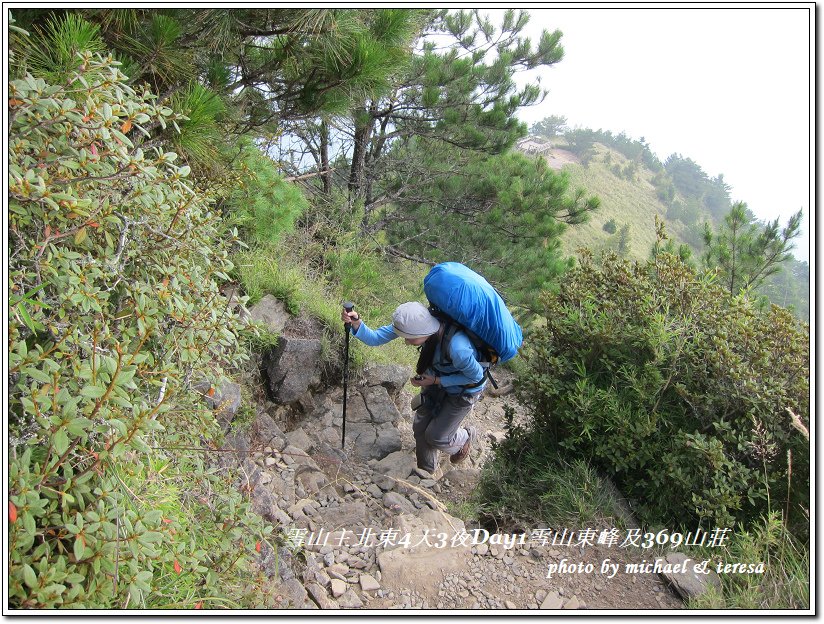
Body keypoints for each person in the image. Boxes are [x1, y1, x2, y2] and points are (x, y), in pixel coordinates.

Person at [341, 301, 483, 474]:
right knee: (420, 428)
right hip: (433, 381)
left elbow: (476, 376)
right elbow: (375, 338)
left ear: (424, 331)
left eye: (409, 338)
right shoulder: (417, 326)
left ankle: (466, 437)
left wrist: (437, 380)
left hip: (463, 391)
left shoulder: (458, 348)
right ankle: (426, 474)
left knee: (436, 437)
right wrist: (356, 323)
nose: (407, 342)